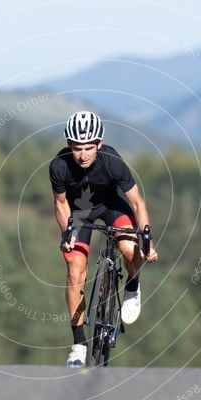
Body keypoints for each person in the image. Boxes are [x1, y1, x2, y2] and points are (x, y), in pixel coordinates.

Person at [49, 111, 158, 367]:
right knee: (75, 270)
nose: (83, 154)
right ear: (69, 146)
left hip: (113, 205)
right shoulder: (59, 165)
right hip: (80, 212)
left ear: (99, 144)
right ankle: (78, 345)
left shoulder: (112, 161)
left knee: (130, 250)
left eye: (89, 147)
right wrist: (67, 232)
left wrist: (146, 241)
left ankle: (132, 284)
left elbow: (137, 202)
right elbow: (61, 204)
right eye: (77, 148)